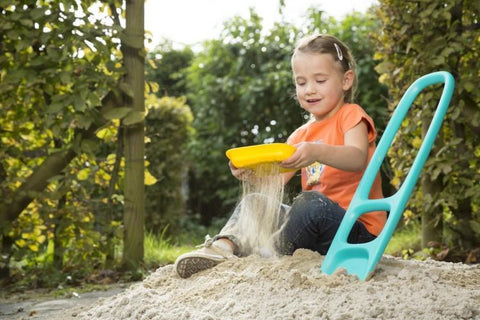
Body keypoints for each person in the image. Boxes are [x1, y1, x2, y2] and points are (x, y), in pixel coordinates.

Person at [174, 34, 386, 278]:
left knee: (309, 203)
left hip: (355, 229)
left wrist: (316, 151)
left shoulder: (350, 116)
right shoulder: (300, 135)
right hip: (316, 232)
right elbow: (276, 182)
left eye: (320, 80)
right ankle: (222, 249)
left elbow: (357, 158)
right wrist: (251, 173)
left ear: (346, 80)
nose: (310, 90)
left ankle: (266, 251)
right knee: (255, 201)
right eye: (301, 82)